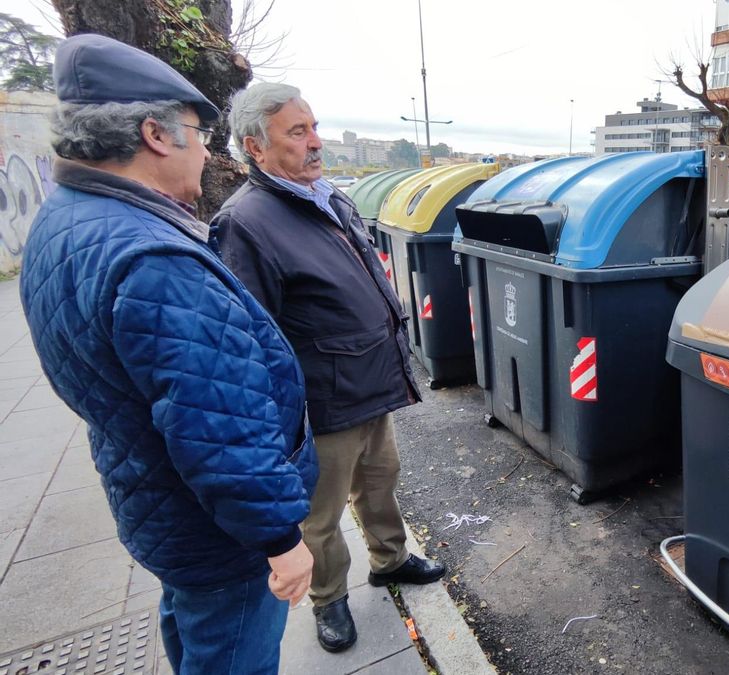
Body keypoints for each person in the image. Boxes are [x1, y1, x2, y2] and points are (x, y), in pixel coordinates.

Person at [19, 35, 315, 674]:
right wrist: (281, 539)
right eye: (197, 131)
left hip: (159, 503)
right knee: (234, 653)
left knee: (197, 633)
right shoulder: (154, 259)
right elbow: (219, 426)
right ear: (155, 134)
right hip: (216, 532)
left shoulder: (66, 219)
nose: (207, 148)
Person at [213, 82, 446, 654]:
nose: (315, 142)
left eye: (314, 127)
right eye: (297, 132)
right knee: (320, 513)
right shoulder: (245, 222)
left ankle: (389, 561)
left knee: (379, 482)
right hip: (323, 397)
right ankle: (329, 598)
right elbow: (254, 335)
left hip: (371, 381)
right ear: (255, 148)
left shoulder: (325, 195)